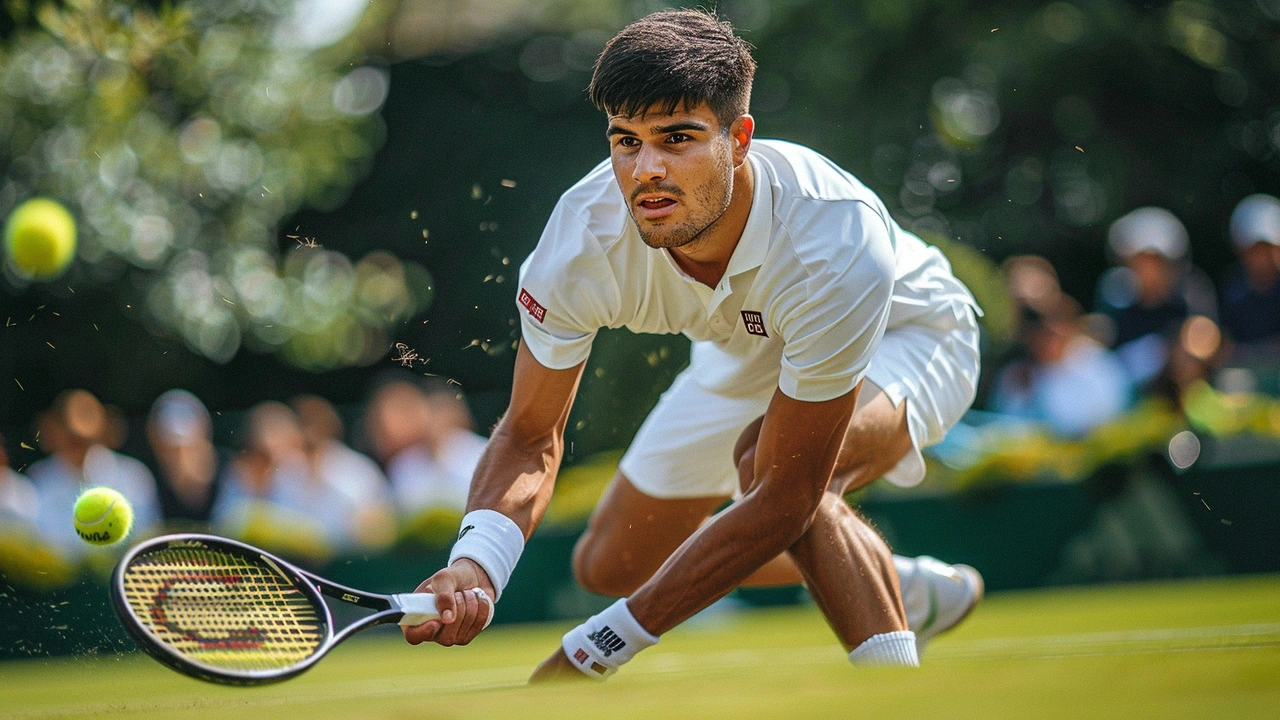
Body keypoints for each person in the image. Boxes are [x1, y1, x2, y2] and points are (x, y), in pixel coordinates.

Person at [401, 9, 984, 679]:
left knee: (770, 472)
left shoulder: (836, 240)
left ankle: (893, 686)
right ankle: (894, 581)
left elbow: (786, 493)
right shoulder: (578, 245)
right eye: (626, 141)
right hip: (741, 353)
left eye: (676, 137)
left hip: (909, 336)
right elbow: (530, 436)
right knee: (612, 561)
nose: (646, 169)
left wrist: (598, 646)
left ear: (739, 139)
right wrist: (474, 565)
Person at [26, 390, 161, 556]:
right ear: (54, 431)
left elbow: (146, 540)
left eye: (82, 439)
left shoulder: (134, 476)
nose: (77, 443)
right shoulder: (38, 479)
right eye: (70, 435)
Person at [1094, 207, 1217, 387]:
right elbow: (1102, 342)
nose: (1147, 269)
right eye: (1140, 259)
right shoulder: (1114, 295)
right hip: (1129, 398)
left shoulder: (1191, 292)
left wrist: (1175, 350)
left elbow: (1209, 340)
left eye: (1154, 260)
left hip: (1184, 394)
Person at [147, 389, 222, 527]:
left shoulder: (230, 473)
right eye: (172, 449)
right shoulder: (146, 483)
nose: (181, 456)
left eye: (189, 447)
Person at [1218, 193, 1280, 362]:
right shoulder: (1233, 288)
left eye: (1268, 248)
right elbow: (1226, 344)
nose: (1263, 257)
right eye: (1255, 249)